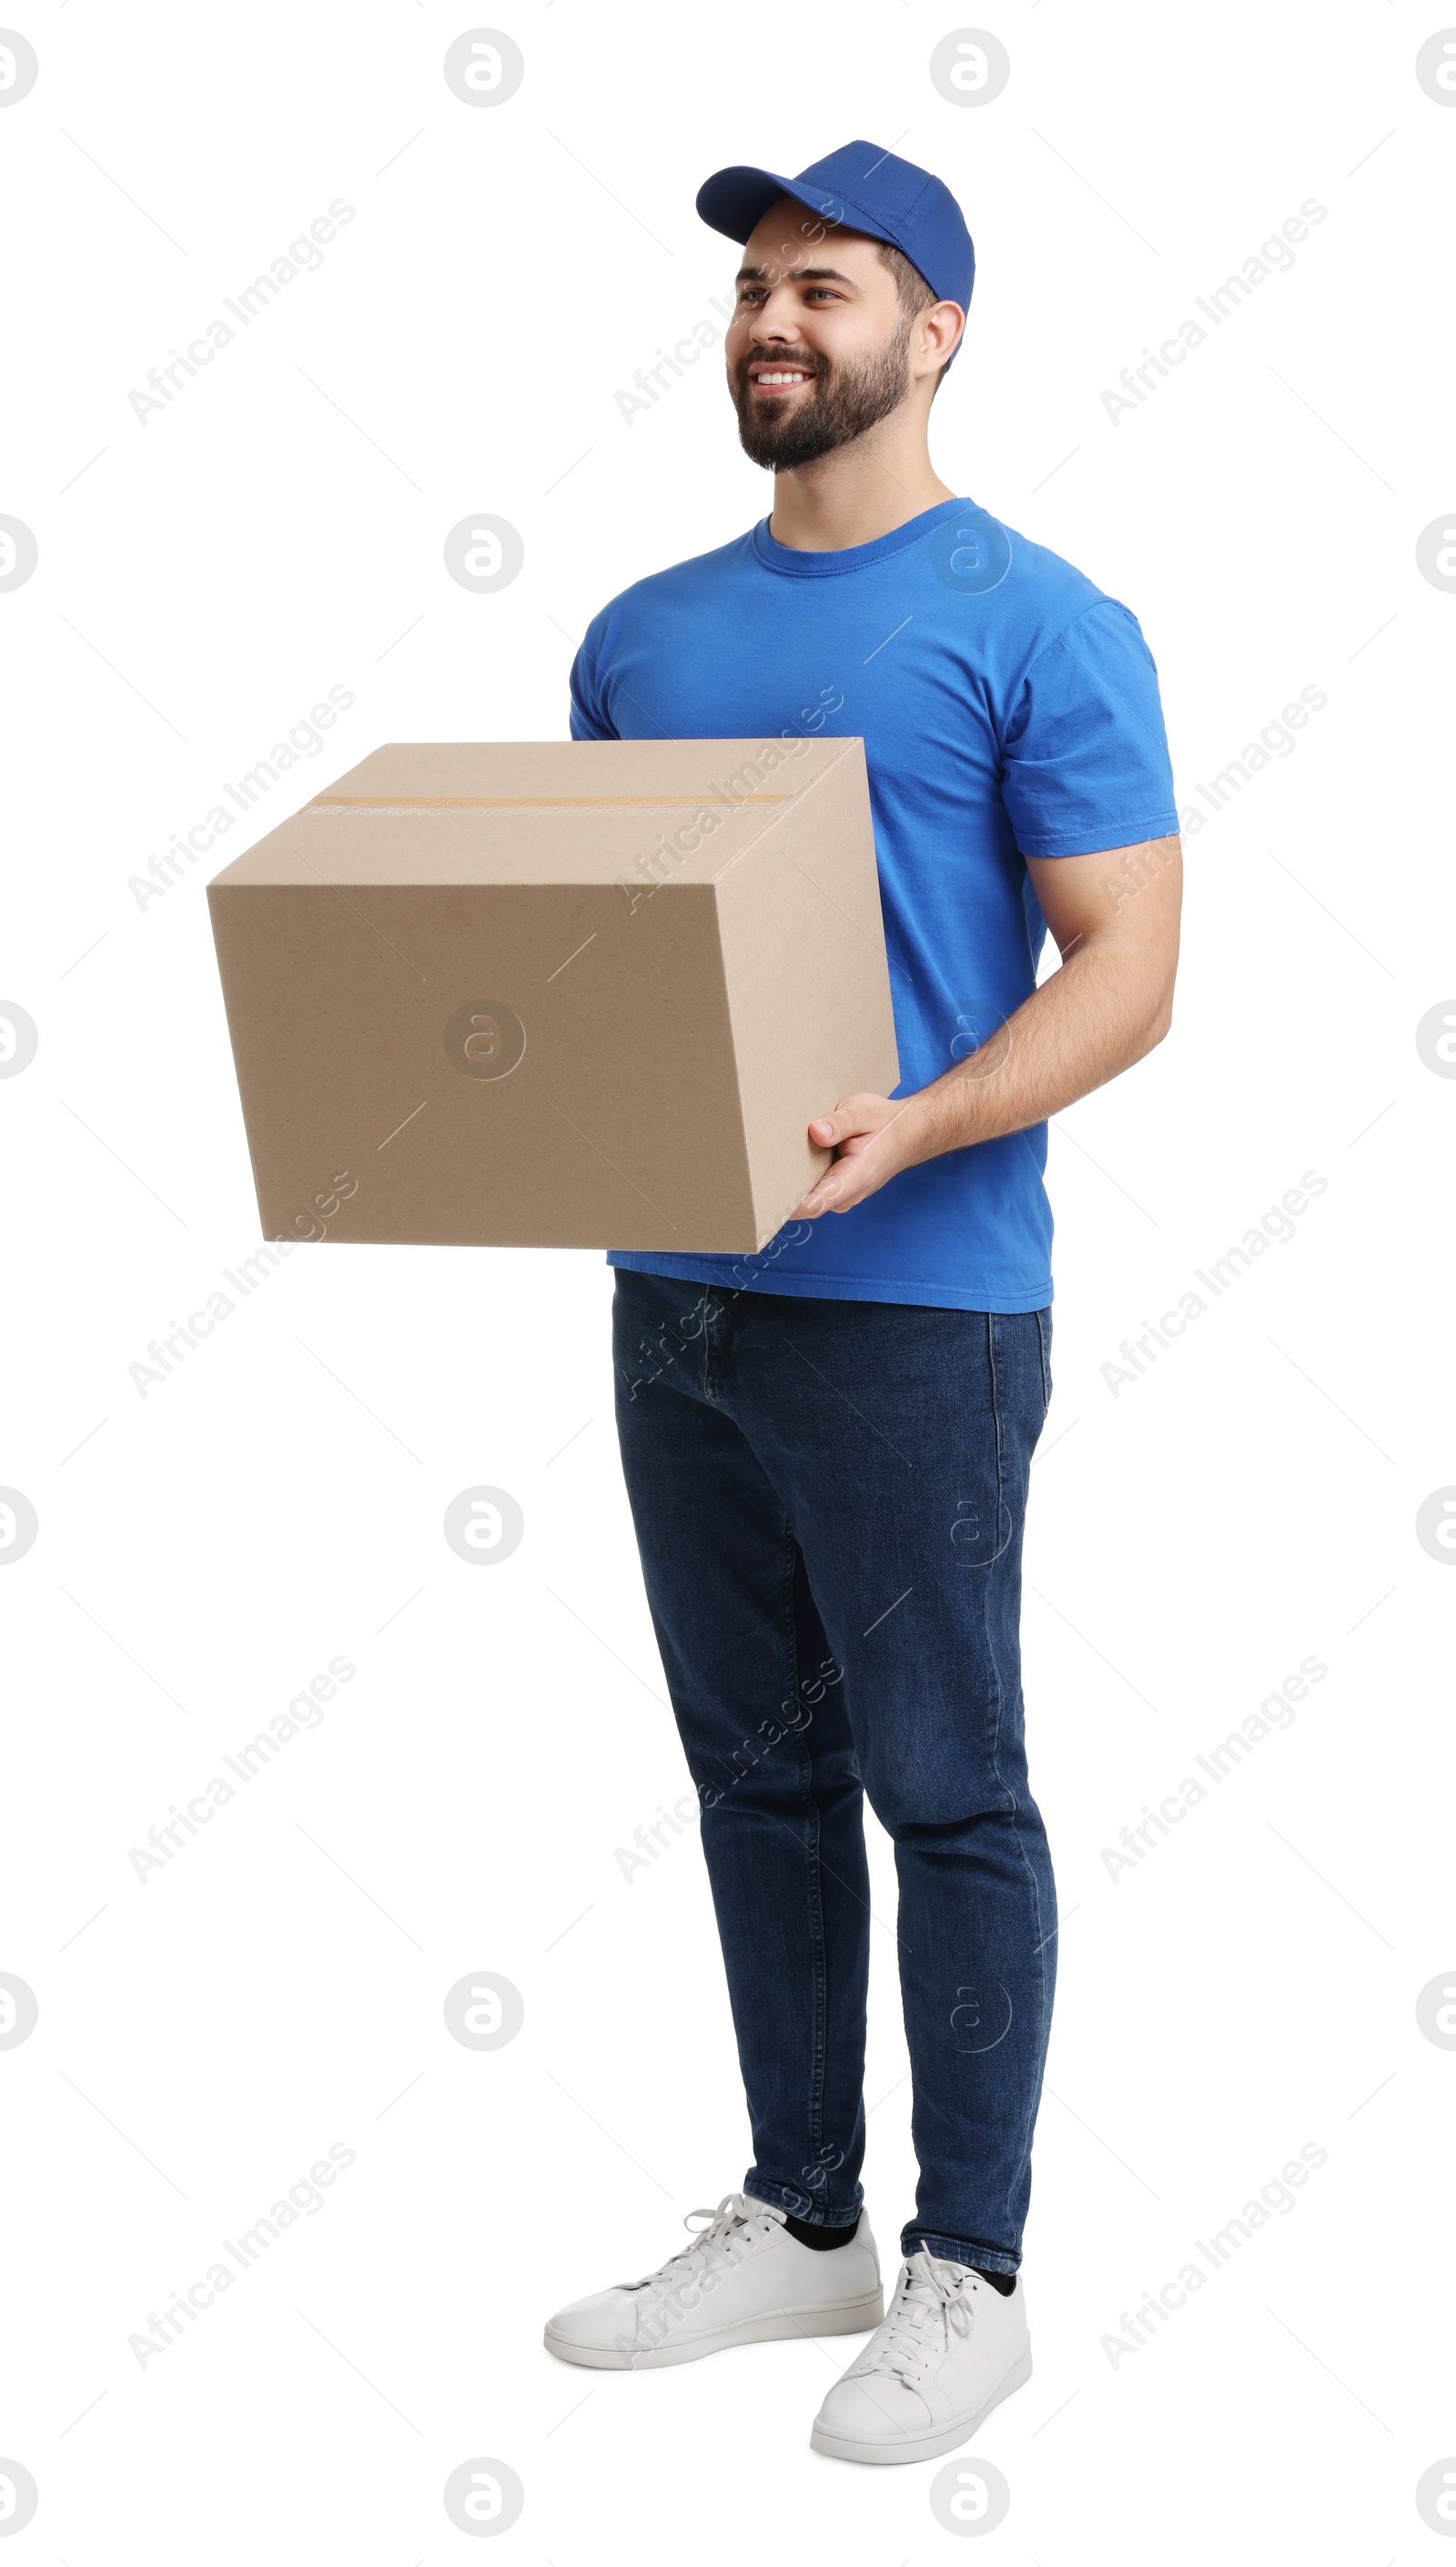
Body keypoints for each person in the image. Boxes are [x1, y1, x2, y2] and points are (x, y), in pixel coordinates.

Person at [543, 140, 1182, 2466]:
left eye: (821, 286)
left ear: (936, 334)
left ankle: (968, 2265)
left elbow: (1129, 968)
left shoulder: (1040, 618)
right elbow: (609, 958)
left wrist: (917, 1120)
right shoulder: (638, 631)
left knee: (945, 1783)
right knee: (751, 1772)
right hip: (671, 1293)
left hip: (916, 1299)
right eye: (745, 291)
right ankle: (802, 2214)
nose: (769, 323)